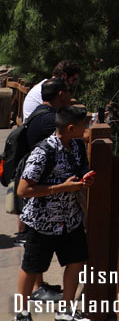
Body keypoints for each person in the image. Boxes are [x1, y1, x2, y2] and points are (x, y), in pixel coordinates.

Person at [14, 104, 94, 321]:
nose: (86, 129)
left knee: (76, 261)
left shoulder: (77, 145)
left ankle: (66, 312)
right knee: (32, 267)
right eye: (83, 126)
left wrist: (83, 182)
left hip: (70, 218)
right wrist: (61, 188)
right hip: (43, 221)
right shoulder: (44, 151)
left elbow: (76, 175)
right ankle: (22, 315)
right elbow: (23, 190)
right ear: (70, 128)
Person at [13, 78, 73, 302]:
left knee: (37, 256)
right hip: (41, 204)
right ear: (60, 94)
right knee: (33, 259)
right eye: (68, 90)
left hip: (43, 201)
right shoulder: (49, 122)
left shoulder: (40, 112)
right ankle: (26, 306)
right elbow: (23, 190)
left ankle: (40, 290)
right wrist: (63, 187)